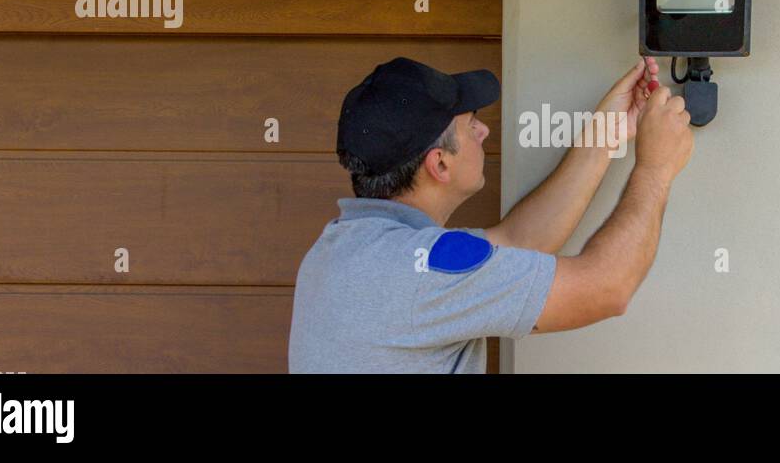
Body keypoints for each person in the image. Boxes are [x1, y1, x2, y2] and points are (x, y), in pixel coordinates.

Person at [288, 55, 692, 373]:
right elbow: (607, 289)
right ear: (440, 165)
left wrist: (606, 135)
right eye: (470, 123)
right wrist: (656, 168)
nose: (483, 132)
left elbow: (519, 241)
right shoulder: (420, 275)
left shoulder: (342, 250)